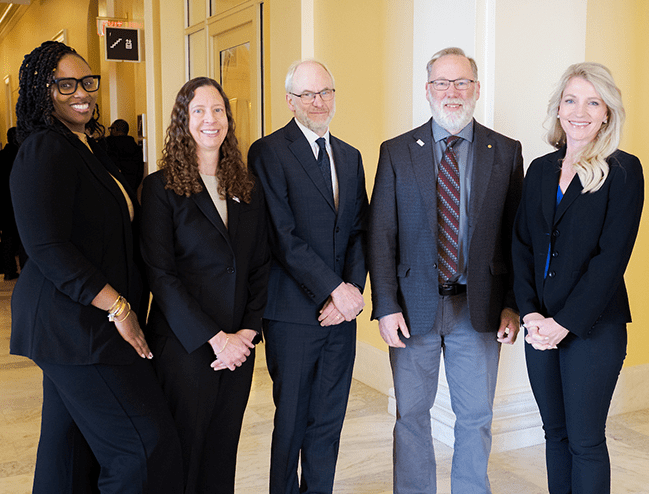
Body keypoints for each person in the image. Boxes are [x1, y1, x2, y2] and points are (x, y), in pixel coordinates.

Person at [8, 40, 182, 493]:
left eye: (87, 81)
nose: (81, 92)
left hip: (81, 323)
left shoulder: (85, 146)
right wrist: (120, 310)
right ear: (40, 91)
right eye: (64, 84)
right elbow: (47, 247)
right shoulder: (44, 148)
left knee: (68, 453)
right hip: (77, 324)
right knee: (144, 446)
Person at [368, 47, 523, 493]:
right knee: (411, 416)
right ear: (427, 89)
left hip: (478, 309)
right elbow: (381, 234)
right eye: (442, 83)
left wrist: (512, 305)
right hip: (411, 310)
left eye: (461, 83)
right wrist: (385, 307)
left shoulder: (506, 151)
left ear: (477, 88)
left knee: (475, 417)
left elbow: (517, 238)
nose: (451, 92)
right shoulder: (397, 151)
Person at [511, 62, 644, 493]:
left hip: (592, 328)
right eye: (571, 100)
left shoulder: (623, 170)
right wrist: (531, 314)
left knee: (585, 441)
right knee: (555, 434)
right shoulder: (540, 169)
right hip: (539, 326)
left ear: (607, 112)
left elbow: (611, 259)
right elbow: (522, 246)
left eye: (592, 101)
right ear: (558, 108)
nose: (580, 111)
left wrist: (562, 323)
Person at [140, 77, 270, 493]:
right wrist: (216, 339)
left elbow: (260, 266)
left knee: (222, 451)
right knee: (185, 453)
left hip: (239, 348)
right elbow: (160, 275)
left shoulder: (246, 188)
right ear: (183, 120)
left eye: (217, 110)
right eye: (198, 111)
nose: (210, 119)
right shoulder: (160, 189)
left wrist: (246, 334)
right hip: (187, 346)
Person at [248, 59, 368, 494]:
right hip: (294, 313)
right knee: (292, 422)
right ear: (290, 101)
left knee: (328, 421)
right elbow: (282, 235)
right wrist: (334, 290)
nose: (318, 102)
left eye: (326, 93)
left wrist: (351, 292)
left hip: (341, 315)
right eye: (307, 95)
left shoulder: (350, 157)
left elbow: (359, 230)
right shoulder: (268, 151)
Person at [0, 127, 24, 279]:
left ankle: (8, 270)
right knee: (22, 238)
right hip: (17, 201)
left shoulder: (1, 155)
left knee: (8, 237)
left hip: (3, 202)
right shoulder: (19, 154)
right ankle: (25, 270)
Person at [105, 118, 144, 192]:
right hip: (131, 189)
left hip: (111, 190)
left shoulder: (106, 145)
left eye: (111, 128)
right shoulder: (135, 148)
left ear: (115, 129)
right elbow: (139, 173)